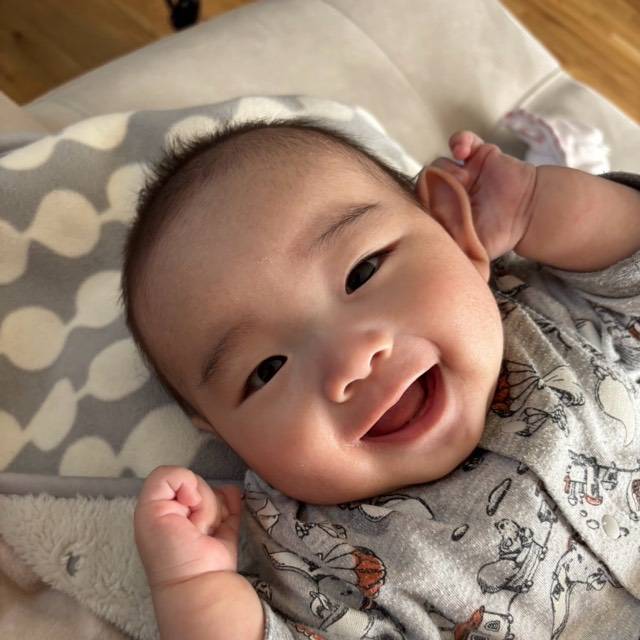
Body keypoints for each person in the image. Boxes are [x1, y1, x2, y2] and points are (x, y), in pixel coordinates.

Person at [121, 117, 640, 640]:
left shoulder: (541, 312)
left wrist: (533, 205)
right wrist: (194, 592)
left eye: (362, 273)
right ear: (224, 433)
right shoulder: (315, 554)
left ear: (453, 230)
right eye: (268, 369)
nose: (351, 360)